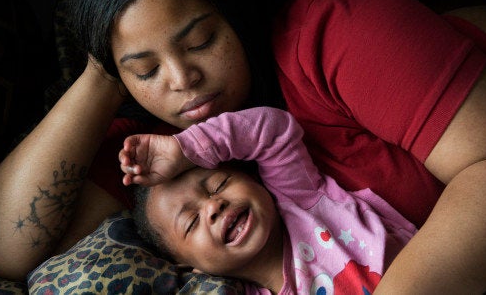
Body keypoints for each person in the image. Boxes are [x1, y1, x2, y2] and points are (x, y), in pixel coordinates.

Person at [0, 0, 486, 293]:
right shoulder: (161, 153)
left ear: (235, 11)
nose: (182, 80)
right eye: (146, 69)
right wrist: (104, 56)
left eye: (200, 40)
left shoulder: (328, 27)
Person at [120, 106, 416, 294]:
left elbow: (272, 130)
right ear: (189, 267)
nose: (213, 206)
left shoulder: (300, 198)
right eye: (192, 221)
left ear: (255, 180)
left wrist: (185, 149)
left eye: (219, 184)